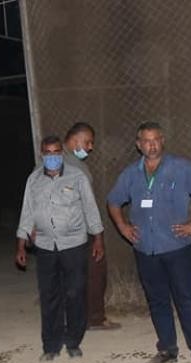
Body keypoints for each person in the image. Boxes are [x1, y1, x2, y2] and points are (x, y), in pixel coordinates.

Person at [106, 121, 191, 363]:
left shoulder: (180, 167)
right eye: (146, 141)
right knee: (157, 300)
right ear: (139, 145)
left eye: (156, 139)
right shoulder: (131, 173)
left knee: (187, 300)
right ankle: (167, 349)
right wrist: (123, 227)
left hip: (176, 247)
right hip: (145, 249)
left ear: (163, 140)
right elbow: (113, 201)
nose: (152, 145)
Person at [16, 135, 105, 361]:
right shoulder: (33, 180)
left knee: (75, 293)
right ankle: (51, 345)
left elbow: (90, 208)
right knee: (49, 295)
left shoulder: (77, 177)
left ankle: (73, 341)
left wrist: (98, 238)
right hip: (45, 245)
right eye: (48, 153)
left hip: (74, 243)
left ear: (61, 154)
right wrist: (21, 245)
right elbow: (27, 212)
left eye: (56, 152)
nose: (52, 157)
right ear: (42, 155)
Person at [63, 122, 121, 331]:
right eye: (87, 142)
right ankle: (94, 318)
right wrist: (97, 235)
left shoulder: (48, 161)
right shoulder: (75, 167)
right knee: (95, 271)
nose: (90, 147)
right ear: (75, 139)